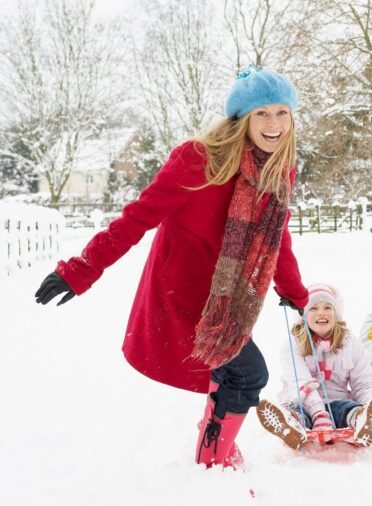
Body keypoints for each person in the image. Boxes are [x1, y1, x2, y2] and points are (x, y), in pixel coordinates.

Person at [33, 65, 309, 467]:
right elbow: (138, 217)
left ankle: (213, 441)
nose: (273, 124)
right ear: (242, 117)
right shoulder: (198, 160)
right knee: (248, 373)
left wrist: (295, 291)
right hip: (181, 292)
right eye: (261, 113)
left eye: (282, 112)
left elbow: (276, 238)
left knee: (237, 374)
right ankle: (213, 456)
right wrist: (80, 270)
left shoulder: (276, 170)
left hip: (225, 296)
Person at [257, 284, 372, 449]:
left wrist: (369, 401)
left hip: (335, 402)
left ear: (336, 313)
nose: (321, 312)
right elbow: (300, 381)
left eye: (328, 307)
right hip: (302, 401)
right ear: (304, 315)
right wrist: (318, 413)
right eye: (314, 308)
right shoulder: (293, 345)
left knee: (347, 408)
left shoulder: (350, 344)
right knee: (298, 412)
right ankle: (291, 425)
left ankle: (364, 420)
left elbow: (363, 382)